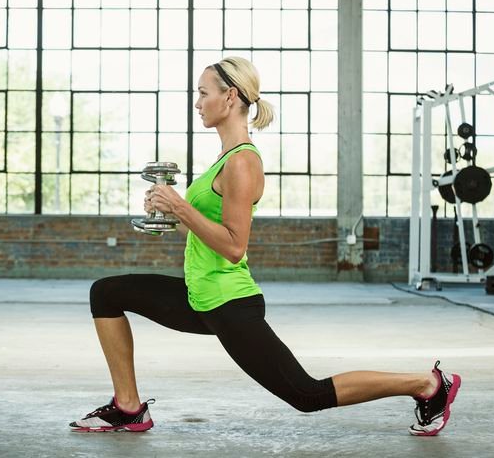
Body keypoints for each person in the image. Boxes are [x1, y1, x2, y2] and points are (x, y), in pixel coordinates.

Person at [69, 57, 461, 435]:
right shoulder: (222, 158)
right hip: (198, 296)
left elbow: (235, 246)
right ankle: (128, 408)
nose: (197, 102)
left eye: (203, 92)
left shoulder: (243, 162)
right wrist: (171, 214)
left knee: (307, 394)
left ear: (231, 97)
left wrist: (182, 208)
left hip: (227, 303)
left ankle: (427, 384)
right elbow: (209, 228)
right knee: (106, 292)